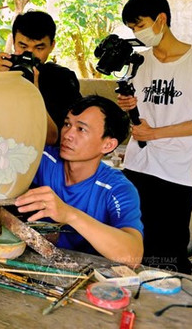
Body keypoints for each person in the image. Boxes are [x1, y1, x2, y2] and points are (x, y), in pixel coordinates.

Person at [116, 0, 192, 274]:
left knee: (168, 252)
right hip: (137, 164)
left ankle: (169, 298)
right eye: (132, 28)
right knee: (132, 241)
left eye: (140, 25)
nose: (137, 33)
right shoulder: (140, 62)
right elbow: (141, 112)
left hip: (177, 170)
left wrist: (155, 134)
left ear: (161, 19)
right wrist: (129, 106)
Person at [15, 95, 143, 266]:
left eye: (81, 129)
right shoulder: (42, 158)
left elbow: (133, 256)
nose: (68, 134)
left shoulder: (117, 189)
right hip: (38, 262)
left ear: (108, 145)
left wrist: (69, 214)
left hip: (87, 273)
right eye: (67, 124)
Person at [0, 11, 81, 144]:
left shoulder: (62, 79)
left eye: (39, 48)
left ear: (52, 46)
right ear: (14, 42)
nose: (29, 54)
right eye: (23, 46)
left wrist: (34, 93)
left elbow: (59, 136)